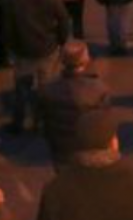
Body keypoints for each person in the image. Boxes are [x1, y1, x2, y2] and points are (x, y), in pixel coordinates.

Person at [4, 0, 70, 133]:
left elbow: (7, 28)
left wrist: (11, 47)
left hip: (23, 49)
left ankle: (18, 121)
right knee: (46, 86)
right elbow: (63, 19)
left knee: (21, 88)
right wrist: (62, 40)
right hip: (47, 47)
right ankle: (42, 121)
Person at [37, 40, 109, 169]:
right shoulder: (98, 89)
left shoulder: (48, 90)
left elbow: (43, 122)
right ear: (86, 59)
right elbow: (104, 124)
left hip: (61, 151)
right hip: (89, 150)